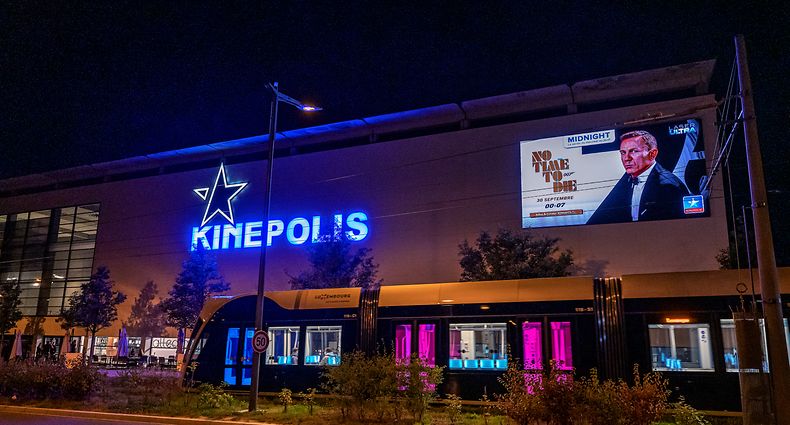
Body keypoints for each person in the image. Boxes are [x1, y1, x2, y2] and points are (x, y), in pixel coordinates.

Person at [587, 130, 689, 224]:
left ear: (652, 154)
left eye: (634, 151)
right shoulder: (628, 180)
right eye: (623, 153)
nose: (626, 158)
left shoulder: (668, 186)